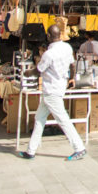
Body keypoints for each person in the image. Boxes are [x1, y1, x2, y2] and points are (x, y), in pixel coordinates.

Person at [18, 24, 86, 161]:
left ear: (48, 36)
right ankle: (31, 150)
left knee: (63, 120)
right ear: (60, 35)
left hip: (51, 90)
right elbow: (73, 65)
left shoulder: (48, 54)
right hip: (58, 88)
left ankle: (79, 148)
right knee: (39, 119)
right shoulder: (67, 48)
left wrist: (27, 72)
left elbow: (38, 71)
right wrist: (71, 78)